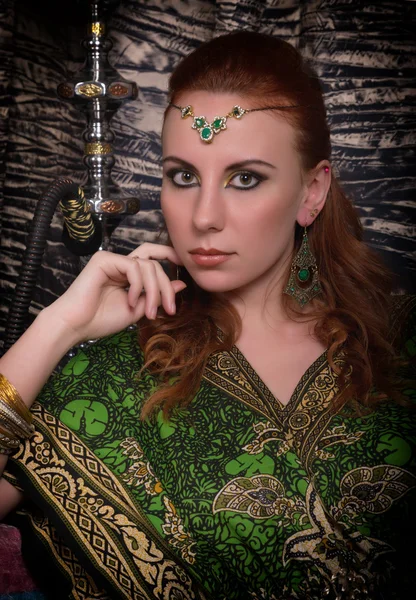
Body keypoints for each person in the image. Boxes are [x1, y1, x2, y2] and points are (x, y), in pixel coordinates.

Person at [0, 30, 415, 600]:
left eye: (245, 178)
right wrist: (59, 326)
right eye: (183, 176)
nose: (204, 216)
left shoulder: (400, 340)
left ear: (312, 191)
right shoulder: (106, 371)